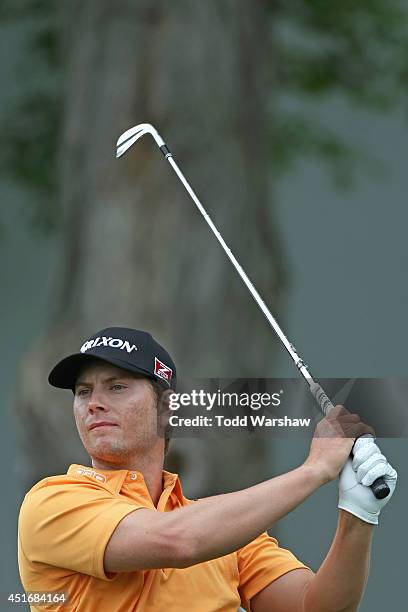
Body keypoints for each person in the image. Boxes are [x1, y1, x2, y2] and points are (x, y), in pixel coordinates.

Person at [18, 326, 397, 612]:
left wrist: (359, 512)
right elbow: (177, 541)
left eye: (116, 387)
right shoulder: (52, 501)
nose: (94, 403)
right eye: (84, 391)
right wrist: (314, 470)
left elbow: (315, 607)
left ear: (167, 409)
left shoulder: (225, 532)